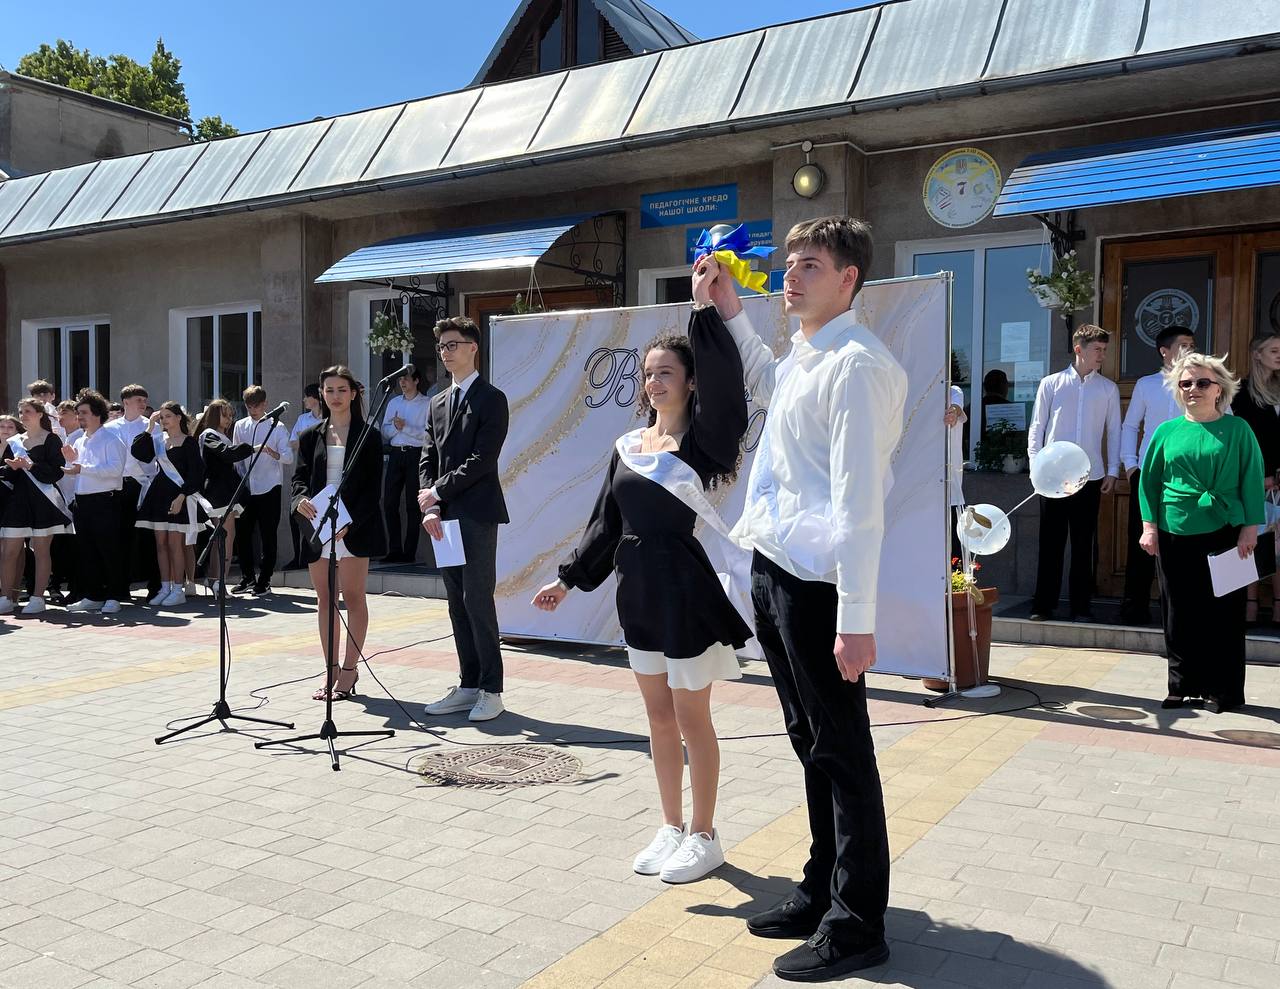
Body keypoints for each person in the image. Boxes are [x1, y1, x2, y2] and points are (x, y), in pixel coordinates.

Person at [718, 216, 907, 980]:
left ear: (848, 278)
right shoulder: (809, 355)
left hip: (819, 584)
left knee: (842, 748)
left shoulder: (857, 365)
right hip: (777, 569)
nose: (790, 277)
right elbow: (770, 382)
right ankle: (824, 886)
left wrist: (856, 620)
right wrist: (732, 312)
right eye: (790, 263)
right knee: (810, 740)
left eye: (810, 265)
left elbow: (861, 504)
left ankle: (858, 922)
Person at [532, 284, 750, 884]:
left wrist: (705, 310)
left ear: (691, 382)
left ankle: (705, 835)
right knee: (657, 719)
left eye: (667, 373)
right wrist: (567, 581)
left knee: (692, 718)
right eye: (649, 373)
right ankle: (671, 825)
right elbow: (605, 523)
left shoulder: (701, 443)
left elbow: (728, 394)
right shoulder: (628, 446)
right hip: (638, 593)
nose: (654, 382)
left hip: (685, 592)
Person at [1139, 352, 1262, 713]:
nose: (1193, 388)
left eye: (1202, 382)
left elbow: (1252, 480)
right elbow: (1149, 484)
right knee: (1178, 611)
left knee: (1225, 613)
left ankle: (1222, 690)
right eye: (1186, 383)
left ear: (1219, 388)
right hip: (1174, 531)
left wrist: (1250, 529)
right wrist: (1149, 527)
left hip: (1227, 530)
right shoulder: (1166, 431)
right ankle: (1181, 686)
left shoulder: (1238, 429)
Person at [419, 317, 511, 723]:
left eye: (453, 344)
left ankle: (492, 690)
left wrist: (437, 492)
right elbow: (427, 456)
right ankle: (469, 683)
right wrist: (430, 505)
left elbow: (482, 459)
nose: (446, 352)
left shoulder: (492, 399)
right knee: (456, 602)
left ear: (473, 347)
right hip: (442, 517)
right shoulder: (437, 402)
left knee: (477, 599)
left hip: (476, 514)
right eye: (442, 346)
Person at [293, 366, 385, 701]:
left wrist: (350, 523)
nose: (335, 396)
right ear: (321, 393)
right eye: (329, 390)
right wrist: (299, 501)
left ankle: (349, 670)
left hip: (353, 528)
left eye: (341, 390)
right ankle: (329, 669)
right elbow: (299, 479)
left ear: (353, 393)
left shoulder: (368, 435)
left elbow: (373, 490)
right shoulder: (309, 435)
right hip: (318, 526)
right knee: (325, 599)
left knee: (354, 597)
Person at [1027, 324, 1122, 622]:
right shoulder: (1051, 383)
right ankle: (1043, 605)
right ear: (1078, 349)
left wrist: (1112, 470)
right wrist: (1035, 466)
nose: (1102, 355)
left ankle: (1081, 606)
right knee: (1051, 542)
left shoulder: (1108, 389)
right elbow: (1037, 427)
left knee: (1083, 543)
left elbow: (1114, 431)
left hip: (1089, 477)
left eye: (1104, 350)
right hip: (1052, 476)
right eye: (1097, 350)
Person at [1119, 327, 1196, 625]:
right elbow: (1130, 426)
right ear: (1165, 351)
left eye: (1192, 345)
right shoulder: (1147, 384)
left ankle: (1178, 613)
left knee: (1180, 544)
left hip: (1189, 477)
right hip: (1148, 474)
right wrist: (1130, 465)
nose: (1190, 350)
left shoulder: (1202, 383)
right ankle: (1134, 607)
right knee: (1141, 543)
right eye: (1183, 345)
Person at [1, 398, 73, 615]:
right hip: (18, 502)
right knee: (9, 551)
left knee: (41, 550)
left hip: (44, 502)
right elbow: (8, 474)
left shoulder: (51, 439)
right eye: (21, 412)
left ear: (40, 414)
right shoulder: (15, 441)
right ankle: (6, 597)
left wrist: (30, 465)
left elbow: (56, 472)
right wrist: (12, 468)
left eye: (28, 411)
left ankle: (38, 597)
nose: (23, 415)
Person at [131, 402, 204, 608]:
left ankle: (178, 589)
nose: (164, 420)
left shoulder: (189, 442)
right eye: (161, 417)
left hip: (178, 497)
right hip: (159, 497)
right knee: (160, 544)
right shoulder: (158, 440)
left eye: (168, 416)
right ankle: (165, 587)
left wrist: (182, 497)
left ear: (179, 417)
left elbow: (196, 474)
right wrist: (150, 426)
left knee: (175, 545)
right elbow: (138, 452)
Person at [1230, 332, 1280, 626]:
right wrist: (1258, 477)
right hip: (1253, 481)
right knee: (1250, 542)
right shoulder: (1240, 394)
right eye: (1273, 350)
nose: (1279, 355)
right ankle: (1249, 604)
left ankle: (1278, 605)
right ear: (1257, 354)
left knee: (1279, 545)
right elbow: (1238, 442)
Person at [62, 390, 126, 614]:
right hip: (83, 501)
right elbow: (79, 471)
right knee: (87, 550)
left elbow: (115, 470)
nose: (79, 417)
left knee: (108, 550)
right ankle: (93, 595)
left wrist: (81, 468)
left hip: (104, 501)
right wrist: (72, 462)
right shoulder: (80, 441)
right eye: (78, 413)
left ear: (97, 414)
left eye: (84, 412)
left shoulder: (111, 440)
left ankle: (114, 596)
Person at [232, 386, 292, 595]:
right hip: (247, 487)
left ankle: (265, 580)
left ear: (265, 404)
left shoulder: (278, 426)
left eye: (256, 406)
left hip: (270, 487)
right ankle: (247, 577)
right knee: (243, 534)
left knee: (268, 535)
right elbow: (236, 454)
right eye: (249, 406)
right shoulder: (240, 425)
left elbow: (288, 457)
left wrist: (272, 453)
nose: (253, 410)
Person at [106, 384, 162, 604]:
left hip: (144, 485)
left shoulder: (153, 426)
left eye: (145, 400)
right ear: (126, 402)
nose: (143, 404)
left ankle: (154, 586)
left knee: (148, 538)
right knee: (121, 538)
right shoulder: (110, 428)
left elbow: (155, 457)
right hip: (120, 486)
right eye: (139, 400)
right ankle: (121, 587)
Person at [196, 399, 253, 594]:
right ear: (214, 415)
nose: (229, 419)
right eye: (225, 415)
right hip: (219, 493)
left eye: (230, 416)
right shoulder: (209, 435)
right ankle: (217, 581)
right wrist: (251, 448)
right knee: (224, 539)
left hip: (225, 492)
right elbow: (227, 454)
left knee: (223, 538)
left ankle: (216, 580)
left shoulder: (218, 436)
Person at [381, 364, 431, 563]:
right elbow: (385, 431)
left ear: (416, 381)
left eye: (406, 379)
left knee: (413, 504)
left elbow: (427, 435)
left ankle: (409, 552)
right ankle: (394, 550)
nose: (402, 382)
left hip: (415, 454)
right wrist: (397, 428)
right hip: (396, 453)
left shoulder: (427, 403)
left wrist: (405, 428)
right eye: (400, 379)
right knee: (389, 502)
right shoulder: (394, 402)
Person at [285, 383, 324, 570]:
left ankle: (317, 555)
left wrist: (305, 439)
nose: (303, 400)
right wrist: (307, 439)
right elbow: (292, 443)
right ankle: (298, 556)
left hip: (321, 471)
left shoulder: (328, 417)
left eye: (306, 396)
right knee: (296, 512)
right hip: (304, 469)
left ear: (315, 398)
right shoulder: (303, 419)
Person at [945, 384, 968, 559]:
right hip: (920, 493)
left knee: (954, 556)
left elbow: (956, 408)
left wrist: (953, 412)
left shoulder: (953, 391)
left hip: (950, 493)